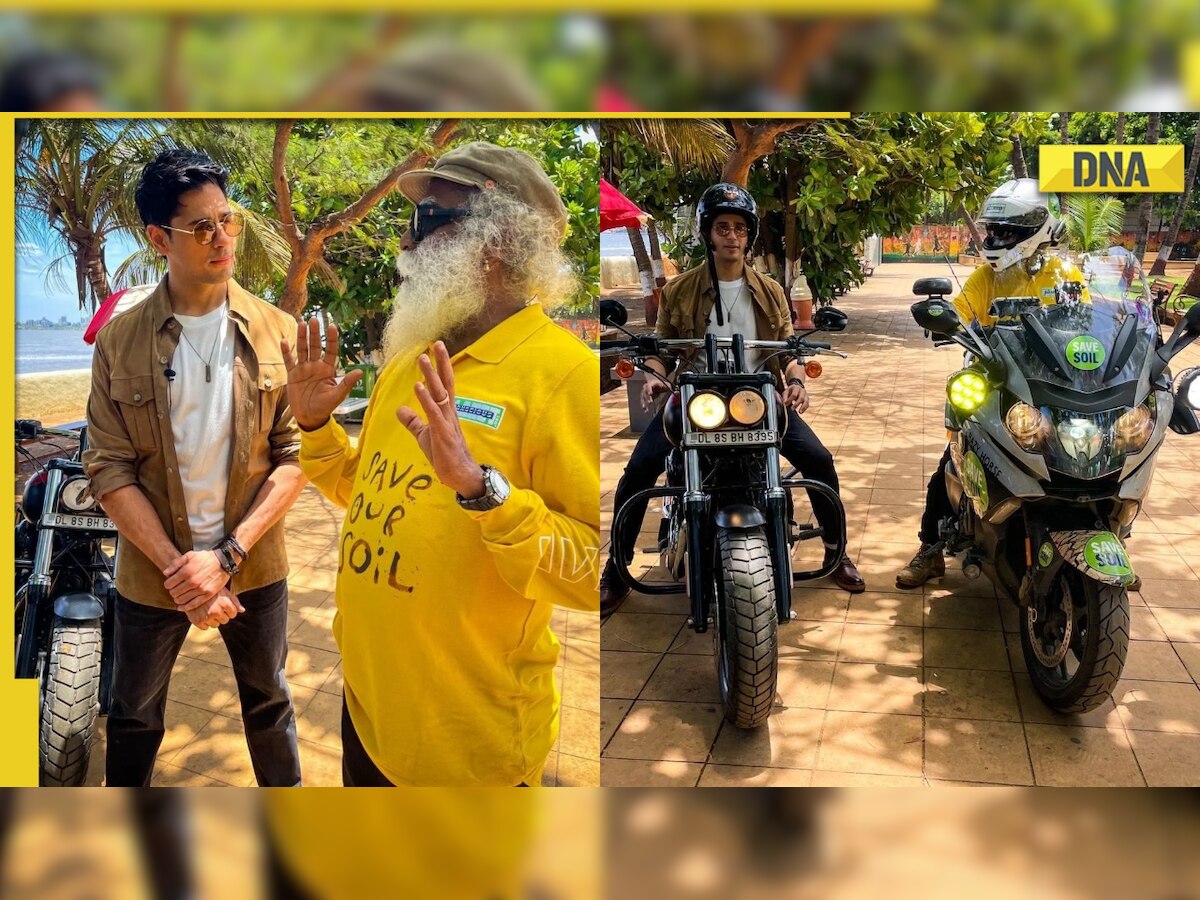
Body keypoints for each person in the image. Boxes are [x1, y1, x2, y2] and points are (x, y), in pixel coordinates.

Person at [284, 141, 599, 786]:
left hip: (469, 750)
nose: (407, 241)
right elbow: (369, 488)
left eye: (430, 219)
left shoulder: (564, 376)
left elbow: (595, 568)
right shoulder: (411, 357)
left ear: (501, 236)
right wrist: (315, 427)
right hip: (369, 716)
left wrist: (485, 493)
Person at [84, 148, 307, 787]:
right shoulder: (119, 342)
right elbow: (109, 468)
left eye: (227, 220)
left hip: (255, 566)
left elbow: (293, 459)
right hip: (154, 577)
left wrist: (226, 557)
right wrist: (183, 573)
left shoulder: (279, 331)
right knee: (132, 716)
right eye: (200, 226)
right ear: (158, 238)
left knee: (271, 706)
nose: (221, 238)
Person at [600, 181, 865, 617]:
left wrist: (796, 380)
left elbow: (785, 349)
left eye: (739, 228)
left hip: (755, 396)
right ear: (708, 232)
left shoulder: (769, 290)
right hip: (694, 396)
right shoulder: (679, 289)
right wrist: (656, 377)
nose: (732, 236)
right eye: (722, 227)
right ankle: (616, 566)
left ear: (749, 235)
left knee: (818, 459)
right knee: (639, 470)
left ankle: (836, 550)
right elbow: (666, 348)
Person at [897, 178, 1086, 588]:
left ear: (1036, 229)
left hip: (1054, 389)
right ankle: (930, 549)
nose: (995, 238)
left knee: (1088, 457)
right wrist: (947, 323)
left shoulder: (1066, 276)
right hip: (998, 388)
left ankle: (1099, 545)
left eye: (1007, 231)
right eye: (993, 230)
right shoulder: (986, 278)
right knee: (954, 465)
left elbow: (1089, 327)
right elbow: (961, 316)